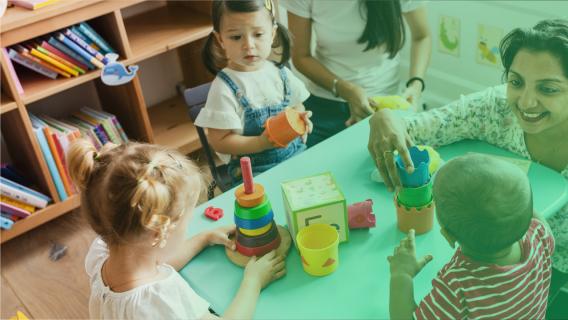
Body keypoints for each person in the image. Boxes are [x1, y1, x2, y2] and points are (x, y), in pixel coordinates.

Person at [368, 18, 568, 311]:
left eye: (548, 89)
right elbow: (418, 128)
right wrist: (385, 118)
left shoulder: (458, 288)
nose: (526, 102)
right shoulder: (494, 110)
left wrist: (401, 277)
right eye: (515, 82)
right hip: (517, 269)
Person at [67, 140, 286, 319]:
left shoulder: (102, 254)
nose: (187, 228)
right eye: (186, 222)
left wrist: (205, 237)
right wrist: (253, 282)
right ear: (158, 233)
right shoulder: (160, 302)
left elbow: (156, 263)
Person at [388, 154, 555, 319]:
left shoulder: (458, 286)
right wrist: (512, 201)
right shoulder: (540, 236)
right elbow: (529, 214)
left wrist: (402, 274)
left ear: (448, 236)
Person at [284, 0, 432, 147]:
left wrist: (416, 84)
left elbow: (422, 36)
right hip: (326, 103)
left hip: (384, 103)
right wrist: (344, 89)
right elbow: (300, 56)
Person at [197, 0, 313, 182]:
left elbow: (297, 106)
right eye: (236, 37)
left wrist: (301, 120)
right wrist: (260, 143)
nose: (248, 45)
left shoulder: (280, 73)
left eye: (258, 34)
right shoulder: (224, 88)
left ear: (272, 33)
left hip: (296, 154)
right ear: (220, 40)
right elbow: (219, 141)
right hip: (254, 171)